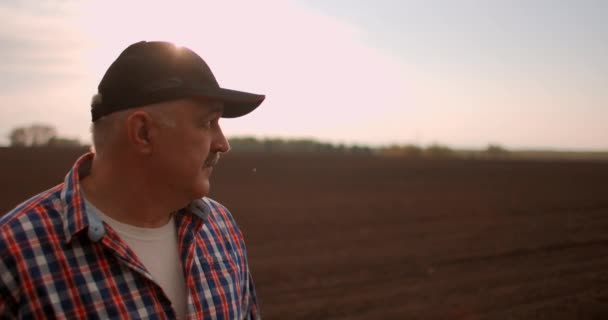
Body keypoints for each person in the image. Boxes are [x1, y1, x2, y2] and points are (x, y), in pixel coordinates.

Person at [0, 41, 265, 319]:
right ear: (143, 133)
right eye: (207, 123)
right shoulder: (14, 255)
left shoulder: (220, 229)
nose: (222, 144)